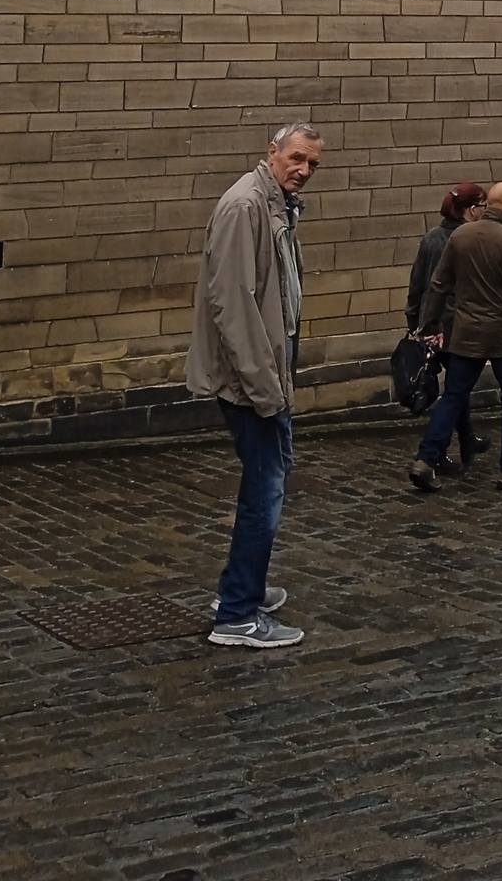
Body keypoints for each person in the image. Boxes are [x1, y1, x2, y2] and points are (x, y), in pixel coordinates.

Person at [186, 120, 322, 649]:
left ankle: (241, 589)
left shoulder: (274, 205)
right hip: (252, 381)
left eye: (312, 163)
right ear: (272, 152)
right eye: (297, 158)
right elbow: (233, 305)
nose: (304, 170)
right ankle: (238, 615)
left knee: (264, 482)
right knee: (265, 492)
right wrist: (267, 389)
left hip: (265, 375)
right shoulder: (245, 206)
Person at [410, 180, 502, 493]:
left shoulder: (460, 235)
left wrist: (431, 324)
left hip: (467, 331)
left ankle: (426, 460)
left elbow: (439, 284)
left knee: (454, 395)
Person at [404, 182, 489, 466]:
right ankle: (434, 452)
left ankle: (467, 438)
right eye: (483, 206)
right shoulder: (468, 240)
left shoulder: (431, 237)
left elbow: (417, 283)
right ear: (472, 209)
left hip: (430, 324)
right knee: (456, 389)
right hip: (455, 326)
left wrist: (414, 321)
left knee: (457, 387)